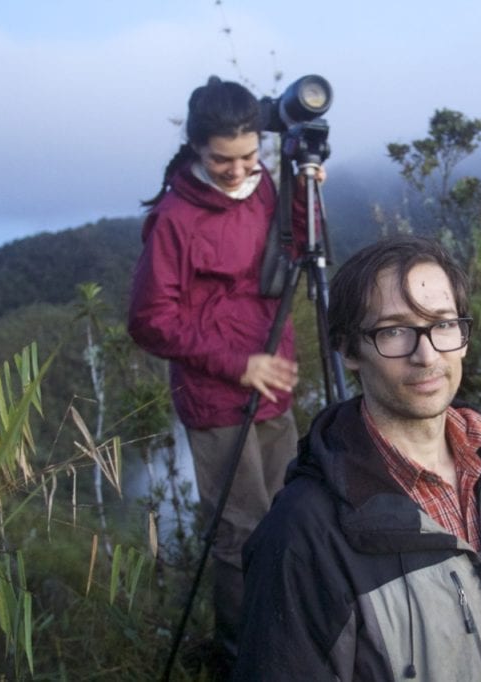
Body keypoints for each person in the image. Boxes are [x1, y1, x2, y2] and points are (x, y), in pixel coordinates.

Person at [233, 235, 481, 681]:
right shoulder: (303, 535)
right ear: (348, 351)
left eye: (442, 325)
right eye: (395, 331)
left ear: (462, 337)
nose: (427, 355)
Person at [128, 76, 320, 670]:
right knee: (241, 536)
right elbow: (149, 320)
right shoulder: (176, 217)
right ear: (195, 150)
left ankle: (295, 637)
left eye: (247, 156)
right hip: (216, 402)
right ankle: (246, 655)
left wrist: (308, 187)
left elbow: (301, 247)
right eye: (221, 160)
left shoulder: (266, 188)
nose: (237, 170)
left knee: (290, 517)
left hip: (274, 389)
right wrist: (238, 364)